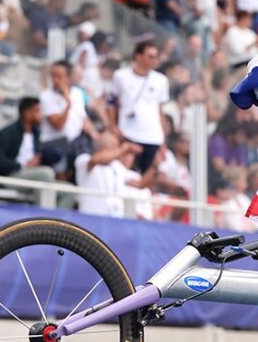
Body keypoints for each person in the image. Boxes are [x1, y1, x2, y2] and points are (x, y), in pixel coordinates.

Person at [0, 97, 73, 209]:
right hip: (10, 176)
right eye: (37, 110)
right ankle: (43, 220)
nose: (41, 115)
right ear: (26, 113)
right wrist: (23, 165)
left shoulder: (36, 133)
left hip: (32, 176)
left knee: (69, 191)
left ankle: (58, 225)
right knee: (45, 173)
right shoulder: (8, 133)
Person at [109, 40, 170, 173]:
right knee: (125, 172)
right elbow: (112, 103)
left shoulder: (161, 80)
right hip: (128, 132)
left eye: (156, 57)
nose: (154, 60)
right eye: (150, 56)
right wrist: (113, 126)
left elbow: (159, 110)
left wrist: (163, 140)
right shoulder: (120, 76)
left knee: (147, 174)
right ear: (138, 56)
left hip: (152, 136)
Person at [74, 132, 162, 218]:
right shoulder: (84, 159)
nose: (118, 152)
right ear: (103, 147)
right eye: (115, 147)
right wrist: (124, 149)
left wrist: (154, 166)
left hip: (114, 220)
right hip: (91, 218)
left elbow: (140, 184)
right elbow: (95, 160)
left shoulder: (117, 167)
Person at [39, 60, 94, 179]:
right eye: (53, 76)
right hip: (54, 144)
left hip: (75, 143)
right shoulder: (46, 96)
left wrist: (97, 136)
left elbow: (83, 118)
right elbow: (58, 125)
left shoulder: (78, 93)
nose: (55, 80)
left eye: (59, 76)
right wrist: (68, 103)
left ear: (68, 78)